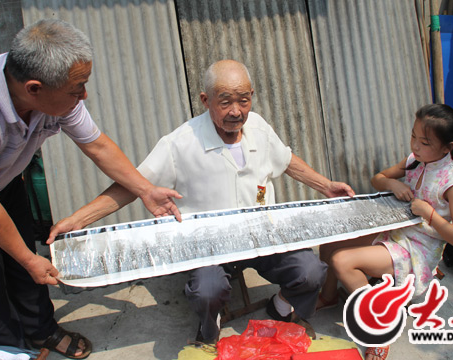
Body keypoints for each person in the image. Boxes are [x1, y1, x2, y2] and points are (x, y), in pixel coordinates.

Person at [48, 59, 356, 345]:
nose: (236, 111)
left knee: (311, 271)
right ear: (205, 100)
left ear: (251, 97)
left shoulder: (259, 127)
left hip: (262, 236)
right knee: (207, 291)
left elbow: (286, 160)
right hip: (208, 246)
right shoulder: (180, 143)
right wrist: (79, 219)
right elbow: (132, 185)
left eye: (243, 100)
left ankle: (281, 306)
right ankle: (211, 324)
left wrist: (326, 186)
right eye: (225, 101)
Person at [0, 19, 182, 359]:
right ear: (34, 88)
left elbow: (97, 146)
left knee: (25, 266)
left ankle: (42, 330)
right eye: (77, 89)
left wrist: (145, 190)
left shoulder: (53, 91)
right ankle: (7, 349)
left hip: (1, 182)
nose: (84, 95)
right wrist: (29, 260)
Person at [317, 103, 453, 360]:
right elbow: (377, 178)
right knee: (332, 242)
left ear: (448, 148)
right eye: (413, 136)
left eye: (425, 142)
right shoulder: (415, 161)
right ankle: (329, 296)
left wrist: (429, 213)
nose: (415, 146)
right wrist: (392, 184)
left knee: (341, 260)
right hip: (395, 228)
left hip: (418, 248)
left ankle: (381, 328)